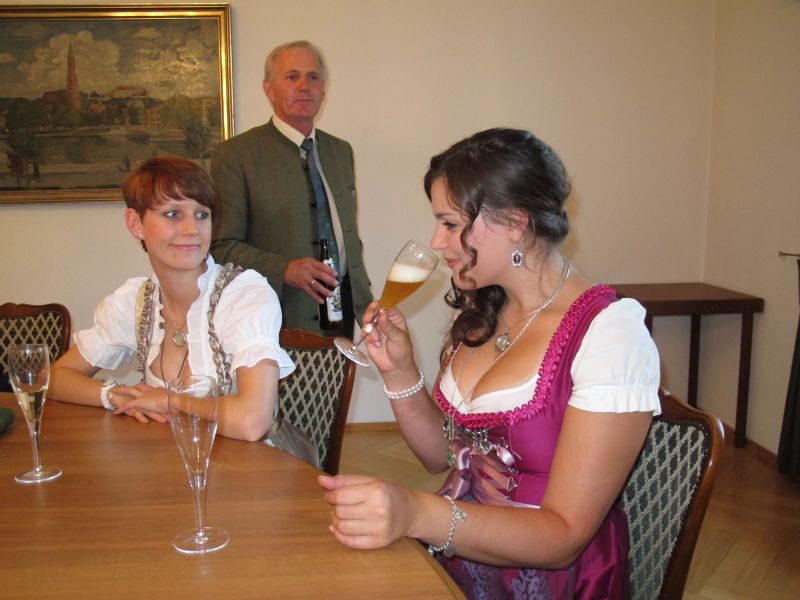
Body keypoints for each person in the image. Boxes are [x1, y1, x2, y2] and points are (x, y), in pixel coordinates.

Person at [318, 128, 661, 598]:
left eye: (450, 223)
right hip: (460, 552)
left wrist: (416, 513)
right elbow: (442, 456)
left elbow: (564, 538)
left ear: (516, 222)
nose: (437, 241)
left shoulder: (610, 334)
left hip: (550, 581)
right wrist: (399, 372)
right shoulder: (488, 308)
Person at [50, 156, 296, 444]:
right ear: (135, 223)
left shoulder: (244, 296)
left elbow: (252, 422)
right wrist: (116, 395)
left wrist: (169, 401)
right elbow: (55, 378)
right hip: (171, 456)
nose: (192, 229)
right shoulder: (135, 301)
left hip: (255, 463)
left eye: (202, 215)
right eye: (172, 214)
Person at [210, 40, 372, 337]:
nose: (304, 86)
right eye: (291, 76)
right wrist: (284, 269)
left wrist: (367, 308)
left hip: (342, 321)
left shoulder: (340, 152)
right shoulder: (236, 155)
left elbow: (347, 238)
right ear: (269, 89)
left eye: (313, 77)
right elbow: (222, 247)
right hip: (275, 325)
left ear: (323, 90)